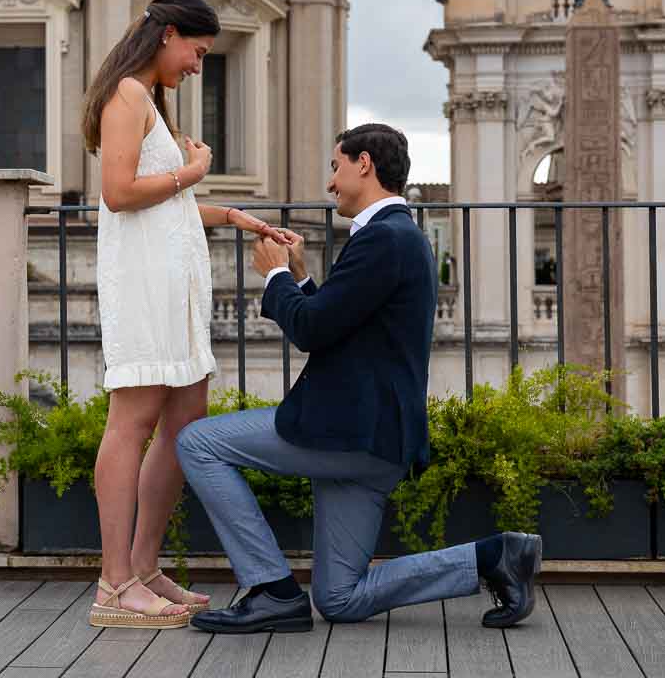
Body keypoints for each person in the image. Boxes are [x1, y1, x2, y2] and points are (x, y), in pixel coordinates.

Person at [176, 124, 542, 634]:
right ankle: (492, 557)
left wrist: (276, 275)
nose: (331, 183)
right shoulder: (397, 236)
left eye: (335, 167)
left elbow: (310, 329)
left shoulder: (383, 238)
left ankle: (270, 589)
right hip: (376, 441)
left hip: (348, 432)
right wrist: (303, 277)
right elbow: (340, 324)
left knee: (198, 442)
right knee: (340, 598)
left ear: (363, 164)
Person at [80, 0, 292, 629]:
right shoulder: (126, 95)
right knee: (134, 423)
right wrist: (193, 172)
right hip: (145, 285)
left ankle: (143, 568)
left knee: (185, 422)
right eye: (197, 51)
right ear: (168, 35)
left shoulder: (148, 99)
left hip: (174, 286)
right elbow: (119, 194)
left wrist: (228, 214)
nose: (199, 65)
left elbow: (161, 202)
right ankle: (114, 584)